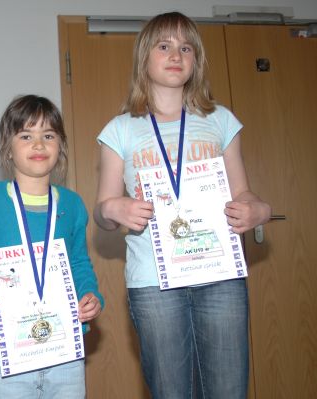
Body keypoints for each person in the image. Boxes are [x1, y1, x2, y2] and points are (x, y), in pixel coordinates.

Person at [93, 12, 271, 398]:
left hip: (220, 275)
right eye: (164, 46)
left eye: (185, 47)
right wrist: (114, 209)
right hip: (153, 282)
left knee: (228, 390)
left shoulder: (220, 120)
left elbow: (243, 193)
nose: (176, 54)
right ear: (145, 58)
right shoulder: (120, 129)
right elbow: (102, 211)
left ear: (196, 61)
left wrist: (258, 210)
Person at [0, 95, 103, 398]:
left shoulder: (72, 205)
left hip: (64, 342)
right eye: (26, 135)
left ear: (60, 146)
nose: (38, 144)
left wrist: (91, 294)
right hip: (6, 341)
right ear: (7, 148)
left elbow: (79, 263)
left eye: (48, 135)